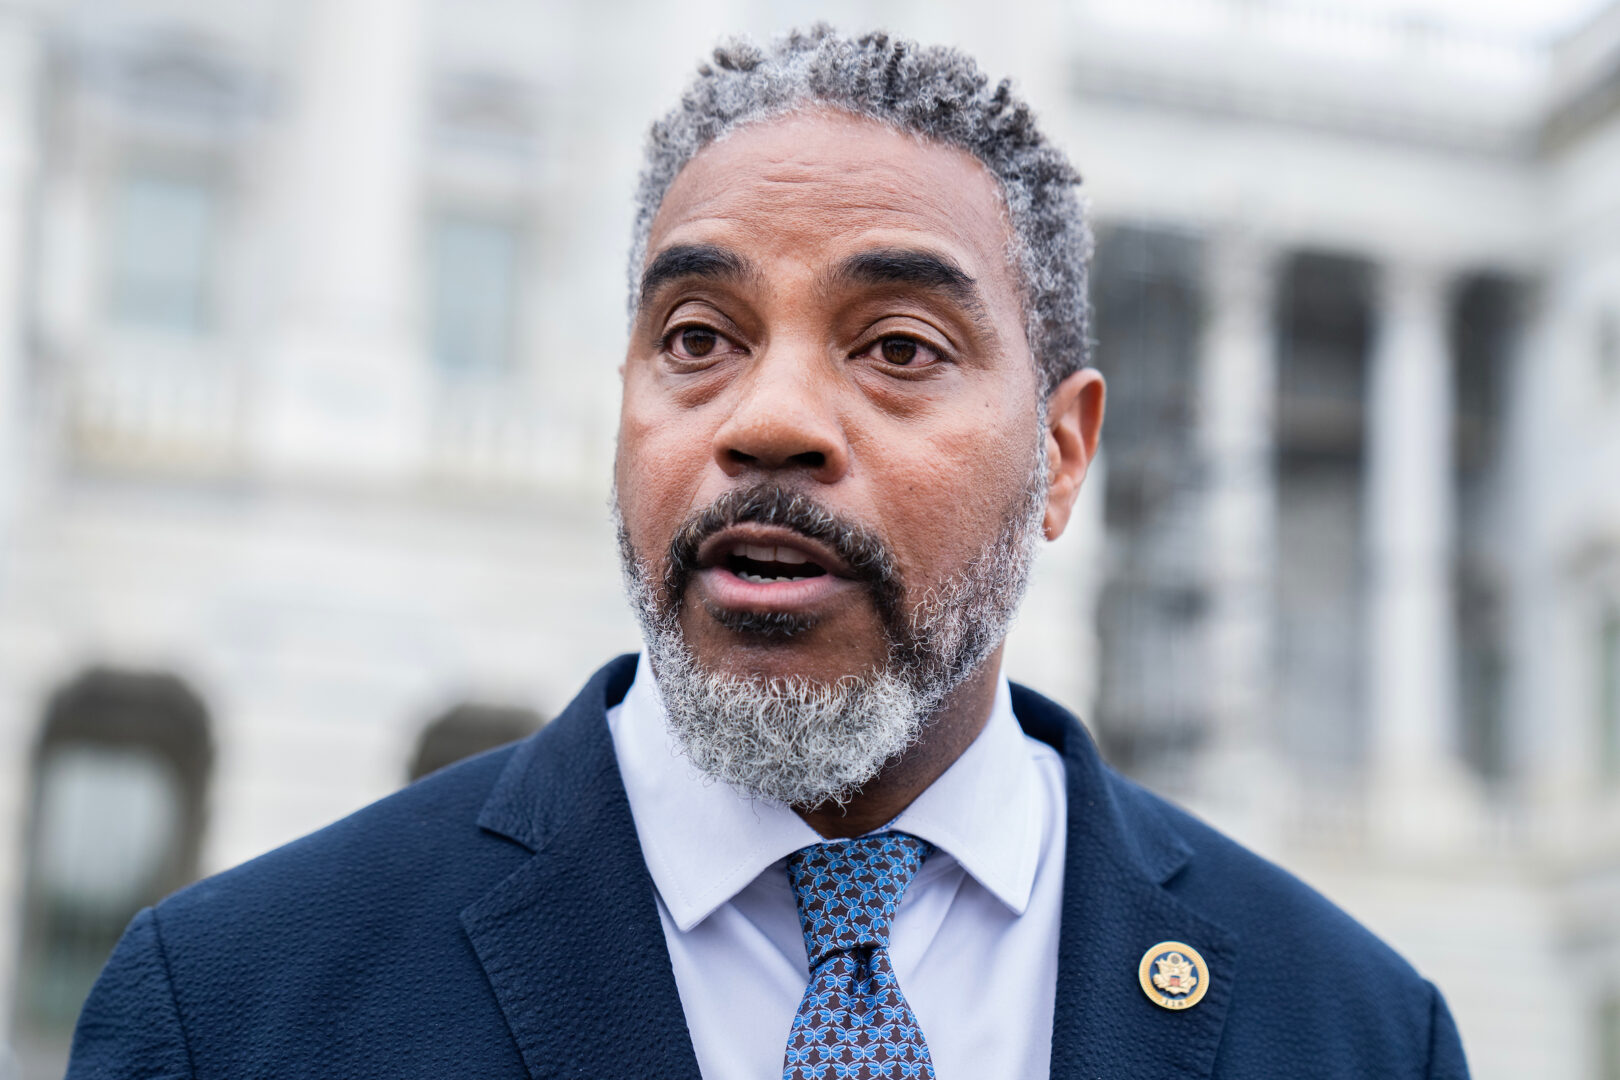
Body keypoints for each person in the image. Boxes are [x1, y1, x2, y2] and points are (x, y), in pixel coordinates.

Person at [67, 26, 1469, 1080]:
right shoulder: (231, 1009)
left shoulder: (1351, 1031)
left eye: (898, 349)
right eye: (699, 340)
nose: (772, 420)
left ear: (1063, 454)